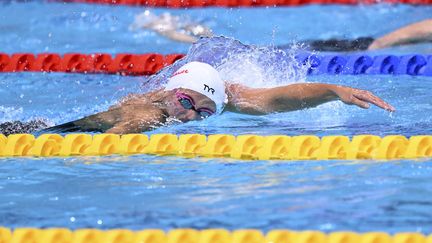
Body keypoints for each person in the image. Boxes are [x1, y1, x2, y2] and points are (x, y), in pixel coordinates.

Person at [0, 37, 395, 136]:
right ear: (174, 91)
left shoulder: (219, 95)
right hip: (64, 129)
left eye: (204, 112)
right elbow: (104, 147)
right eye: (188, 104)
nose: (189, 117)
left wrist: (333, 90)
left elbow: (273, 100)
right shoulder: (150, 114)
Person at [130, 12, 432, 51]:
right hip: (350, 48)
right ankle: (173, 32)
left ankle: (198, 31)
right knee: (247, 52)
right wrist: (381, 44)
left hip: (355, 46)